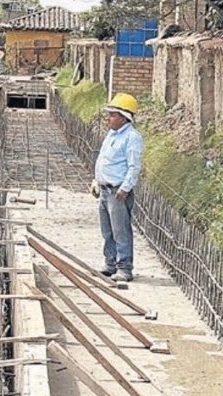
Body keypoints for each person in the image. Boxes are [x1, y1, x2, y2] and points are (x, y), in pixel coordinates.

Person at [88, 93, 143, 282]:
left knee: (121, 230)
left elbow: (134, 166)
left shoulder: (132, 137)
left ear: (123, 117)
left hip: (117, 192)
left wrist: (125, 188)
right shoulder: (112, 134)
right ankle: (110, 263)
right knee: (107, 230)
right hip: (104, 190)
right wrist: (96, 180)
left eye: (112, 114)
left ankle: (124, 268)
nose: (108, 118)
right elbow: (103, 159)